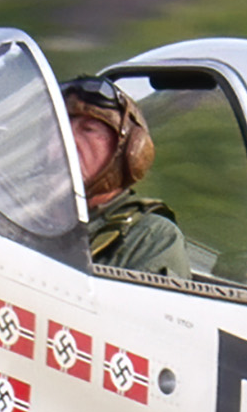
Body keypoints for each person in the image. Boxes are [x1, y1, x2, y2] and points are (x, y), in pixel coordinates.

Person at [64, 77, 195, 277]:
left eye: (88, 129)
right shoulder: (30, 210)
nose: (66, 138)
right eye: (63, 126)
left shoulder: (151, 237)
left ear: (127, 152)